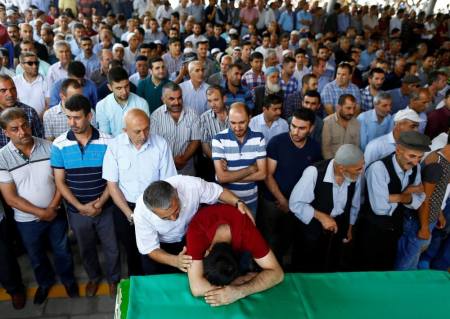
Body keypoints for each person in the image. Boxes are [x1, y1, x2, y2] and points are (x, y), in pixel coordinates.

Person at [0, 107, 77, 304]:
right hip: (26, 221)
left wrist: (52, 208)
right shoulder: (2, 157)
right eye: (15, 128)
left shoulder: (50, 147)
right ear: (5, 132)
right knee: (36, 256)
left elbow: (61, 181)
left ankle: (68, 280)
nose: (22, 131)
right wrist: (42, 212)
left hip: (56, 213)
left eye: (25, 125)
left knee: (62, 250)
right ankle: (45, 283)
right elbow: (10, 198)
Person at [51, 94, 120, 297]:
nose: (72, 122)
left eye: (77, 117)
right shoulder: (59, 144)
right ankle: (93, 278)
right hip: (76, 210)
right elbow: (59, 181)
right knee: (86, 248)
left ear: (89, 116)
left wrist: (101, 202)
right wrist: (80, 207)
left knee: (112, 248)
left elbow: (113, 179)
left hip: (106, 208)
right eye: (69, 117)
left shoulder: (109, 141)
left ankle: (114, 279)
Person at [103, 109, 177, 276]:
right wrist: (131, 215)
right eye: (137, 131)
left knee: (156, 251)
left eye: (147, 129)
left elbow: (169, 182)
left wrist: (158, 212)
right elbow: (112, 186)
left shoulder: (160, 144)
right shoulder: (115, 147)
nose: (143, 135)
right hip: (126, 208)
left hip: (155, 208)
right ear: (125, 131)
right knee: (132, 253)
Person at [133, 175, 253, 274]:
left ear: (176, 192)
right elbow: (150, 248)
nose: (174, 218)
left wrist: (238, 202)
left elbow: (218, 192)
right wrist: (175, 261)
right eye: (165, 217)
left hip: (188, 236)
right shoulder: (141, 213)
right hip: (161, 247)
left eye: (176, 210)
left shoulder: (191, 185)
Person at [185, 203, 284, 306]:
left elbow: (278, 274)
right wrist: (239, 283)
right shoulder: (196, 231)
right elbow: (196, 289)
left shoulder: (247, 232)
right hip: (207, 213)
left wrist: (239, 291)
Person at [357, 131, 429, 271]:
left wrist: (392, 197)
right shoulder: (378, 168)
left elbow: (420, 200)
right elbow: (380, 208)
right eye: (412, 156)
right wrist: (406, 195)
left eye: (419, 158)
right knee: (367, 271)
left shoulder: (416, 168)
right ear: (398, 150)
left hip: (395, 229)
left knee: (386, 269)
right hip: (372, 231)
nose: (415, 162)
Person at [260, 108, 322, 266]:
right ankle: (267, 269)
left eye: (301, 128)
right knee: (269, 238)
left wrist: (294, 204)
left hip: (298, 205)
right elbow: (268, 175)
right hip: (273, 202)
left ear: (311, 128)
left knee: (289, 237)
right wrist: (282, 200)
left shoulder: (315, 148)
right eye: (293, 126)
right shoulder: (277, 142)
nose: (295, 131)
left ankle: (286, 272)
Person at [289, 144, 364, 272]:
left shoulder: (356, 174)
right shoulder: (314, 172)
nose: (362, 170)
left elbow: (354, 203)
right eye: (358, 168)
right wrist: (322, 217)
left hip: (338, 229)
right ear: (341, 168)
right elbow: (295, 204)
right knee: (308, 267)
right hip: (312, 231)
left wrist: (350, 226)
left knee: (331, 264)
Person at [396, 134, 449, 270]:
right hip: (418, 222)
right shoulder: (436, 164)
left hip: (427, 218)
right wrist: (424, 227)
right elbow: (424, 198)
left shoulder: (443, 159)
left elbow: (439, 192)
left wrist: (439, 213)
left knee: (412, 261)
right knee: (406, 263)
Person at [212, 102, 266, 215]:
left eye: (242, 122)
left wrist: (229, 176)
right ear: (228, 118)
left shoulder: (259, 138)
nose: (237, 128)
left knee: (249, 232)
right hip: (226, 201)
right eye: (233, 123)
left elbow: (262, 174)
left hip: (251, 201)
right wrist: (250, 169)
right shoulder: (218, 139)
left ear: (250, 118)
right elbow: (222, 177)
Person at [151, 82, 202, 176]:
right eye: (172, 99)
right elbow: (154, 144)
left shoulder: (193, 114)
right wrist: (171, 161)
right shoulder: (155, 117)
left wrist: (183, 159)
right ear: (163, 99)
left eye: (179, 98)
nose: (177, 102)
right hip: (163, 168)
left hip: (186, 168)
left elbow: (196, 140)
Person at [96, 67, 149, 137]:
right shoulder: (102, 106)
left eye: (126, 86)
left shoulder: (142, 103)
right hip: (112, 146)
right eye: (119, 88)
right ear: (110, 87)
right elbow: (105, 136)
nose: (124, 92)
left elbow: (145, 131)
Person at [0, 75, 43, 147]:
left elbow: (39, 142)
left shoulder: (30, 112)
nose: (10, 94)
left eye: (13, 89)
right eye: (3, 91)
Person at [322, 94, 360, 160]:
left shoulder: (356, 123)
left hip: (350, 162)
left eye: (354, 108)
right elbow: (326, 150)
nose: (352, 112)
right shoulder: (327, 123)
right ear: (338, 107)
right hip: (332, 163)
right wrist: (334, 165)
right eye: (348, 108)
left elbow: (356, 146)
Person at [13, 51, 48, 117]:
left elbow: (48, 105)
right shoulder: (14, 81)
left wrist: (36, 120)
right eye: (30, 63)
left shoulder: (46, 81)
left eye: (36, 63)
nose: (34, 66)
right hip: (19, 120)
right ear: (22, 65)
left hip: (40, 121)